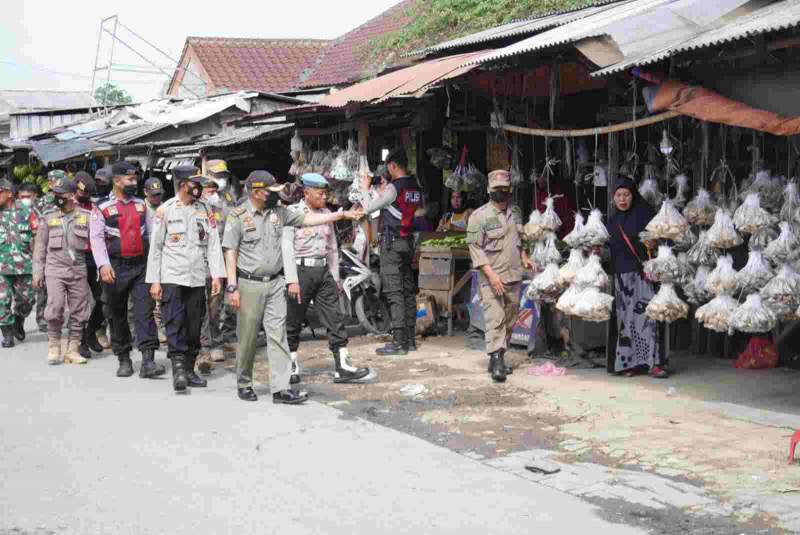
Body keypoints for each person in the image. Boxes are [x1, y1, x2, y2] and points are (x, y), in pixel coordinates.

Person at [222, 171, 363, 403]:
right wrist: (232, 286)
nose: (276, 195)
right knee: (247, 338)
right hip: (249, 285)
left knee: (278, 336)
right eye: (271, 191)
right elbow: (230, 252)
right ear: (257, 193)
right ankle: (244, 382)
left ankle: (281, 388)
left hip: (275, 283)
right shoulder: (237, 216)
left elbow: (308, 220)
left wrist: (341, 215)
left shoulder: (280, 212)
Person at [282, 173, 370, 385]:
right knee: (293, 320)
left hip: (323, 272)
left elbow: (331, 248)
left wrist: (336, 277)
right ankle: (290, 365)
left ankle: (343, 366)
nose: (324, 197)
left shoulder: (327, 213)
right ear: (306, 193)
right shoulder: (292, 213)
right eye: (320, 193)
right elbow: (286, 248)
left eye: (325, 193)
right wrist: (291, 279)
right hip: (300, 272)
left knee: (334, 318)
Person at [146, 173, 225, 392]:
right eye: (195, 184)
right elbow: (156, 248)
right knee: (174, 322)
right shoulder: (165, 210)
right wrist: (154, 281)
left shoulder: (206, 210)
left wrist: (217, 274)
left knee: (194, 325)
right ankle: (179, 369)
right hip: (172, 276)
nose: (199, 188)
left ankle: (190, 369)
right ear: (183, 185)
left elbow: (213, 245)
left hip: (197, 277)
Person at [90, 161, 165, 379]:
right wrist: (103, 264)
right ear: (117, 181)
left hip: (140, 266)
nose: (134, 183)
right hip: (114, 267)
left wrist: (154, 267)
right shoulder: (102, 207)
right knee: (117, 314)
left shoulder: (142, 205)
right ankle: (123, 358)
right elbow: (95, 238)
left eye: (135, 179)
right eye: (130, 179)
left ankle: (148, 361)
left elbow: (152, 236)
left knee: (145, 312)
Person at [467, 170, 533, 383]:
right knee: (495, 318)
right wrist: (491, 275)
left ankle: (499, 357)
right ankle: (496, 361)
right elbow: (475, 248)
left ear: (510, 190)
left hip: (513, 275)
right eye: (496, 189)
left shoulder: (516, 212)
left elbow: (520, 237)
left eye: (504, 189)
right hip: (490, 277)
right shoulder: (479, 216)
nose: (500, 192)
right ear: (488, 190)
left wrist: (525, 256)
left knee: (510, 318)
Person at [358, 148, 422, 356]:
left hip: (392, 245)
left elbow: (369, 208)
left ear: (393, 166)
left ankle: (398, 342)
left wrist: (366, 189)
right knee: (408, 291)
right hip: (408, 243)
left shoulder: (395, 187)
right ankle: (410, 340)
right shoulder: (415, 186)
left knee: (394, 292)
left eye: (388, 167)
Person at [604, 177, 668, 378]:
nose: (622, 199)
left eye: (626, 195)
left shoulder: (646, 215)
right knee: (626, 321)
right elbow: (609, 251)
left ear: (633, 195)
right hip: (622, 279)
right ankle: (627, 363)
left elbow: (665, 239)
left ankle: (653, 363)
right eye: (618, 195)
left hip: (643, 276)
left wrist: (654, 245)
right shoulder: (612, 222)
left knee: (647, 319)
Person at [33, 176, 91, 365]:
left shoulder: (86, 216)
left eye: (61, 194)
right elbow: (40, 247)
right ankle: (54, 346)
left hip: (78, 269)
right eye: (55, 194)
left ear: (72, 195)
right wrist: (37, 272)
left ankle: (73, 349)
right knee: (55, 306)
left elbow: (98, 243)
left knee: (79, 310)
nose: (57, 197)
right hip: (54, 269)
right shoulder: (48, 217)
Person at [197, 176, 236, 371]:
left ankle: (215, 343)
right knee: (198, 308)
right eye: (209, 192)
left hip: (216, 265)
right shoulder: (193, 210)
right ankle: (203, 345)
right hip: (195, 265)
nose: (212, 195)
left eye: (214, 192)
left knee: (214, 306)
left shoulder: (222, 209)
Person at [0, 178, 38, 347]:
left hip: (25, 265)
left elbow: (37, 235)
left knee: (27, 300)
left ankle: (18, 321)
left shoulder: (26, 210)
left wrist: (39, 262)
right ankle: (7, 333)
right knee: (2, 300)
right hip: (2, 267)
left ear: (9, 194)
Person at [73, 172, 105, 358]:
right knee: (81, 302)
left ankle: (91, 331)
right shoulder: (67, 206)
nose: (83, 196)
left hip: (94, 258)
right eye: (81, 192)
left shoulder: (94, 208)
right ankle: (82, 341)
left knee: (104, 299)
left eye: (87, 193)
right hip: (74, 259)